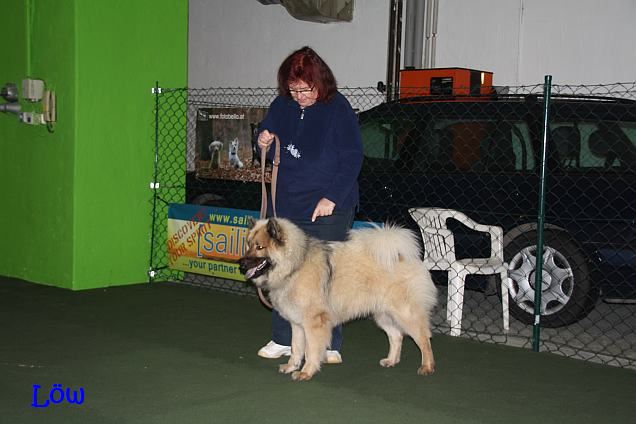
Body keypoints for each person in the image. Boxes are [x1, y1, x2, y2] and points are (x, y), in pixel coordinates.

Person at [256, 46, 363, 364]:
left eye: (306, 89)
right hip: (287, 200)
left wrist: (332, 197)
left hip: (329, 203)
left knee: (325, 274)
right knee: (281, 270)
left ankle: (329, 344)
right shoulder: (282, 105)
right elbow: (265, 134)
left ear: (320, 83)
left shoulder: (338, 108)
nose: (300, 96)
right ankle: (283, 339)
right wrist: (261, 139)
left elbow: (352, 156)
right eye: (294, 90)